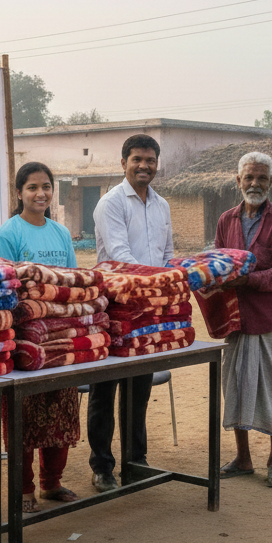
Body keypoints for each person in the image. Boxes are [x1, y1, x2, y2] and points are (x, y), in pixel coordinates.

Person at [0, 161, 80, 512]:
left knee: (61, 408)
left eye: (46, 187)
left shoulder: (61, 233)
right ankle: (24, 487)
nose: (40, 193)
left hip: (60, 334)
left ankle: (51, 483)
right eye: (32, 187)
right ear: (19, 192)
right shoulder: (7, 234)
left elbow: (72, 280)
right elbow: (2, 288)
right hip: (23, 338)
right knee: (23, 416)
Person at [88, 134, 173, 491]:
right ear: (123, 163)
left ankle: (135, 461)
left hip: (149, 311)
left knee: (139, 388)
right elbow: (120, 256)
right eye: (137, 159)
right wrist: (157, 283)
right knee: (105, 389)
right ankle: (102, 466)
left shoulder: (162, 205)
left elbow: (168, 254)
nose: (144, 166)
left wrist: (167, 284)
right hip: (114, 308)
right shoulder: (110, 203)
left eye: (150, 160)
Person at [216, 153, 272, 486]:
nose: (255, 184)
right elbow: (219, 261)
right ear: (238, 181)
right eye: (249, 177)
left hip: (270, 320)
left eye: (262, 178)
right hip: (237, 320)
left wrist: (248, 280)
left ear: (271, 183)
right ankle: (243, 458)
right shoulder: (226, 220)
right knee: (236, 388)